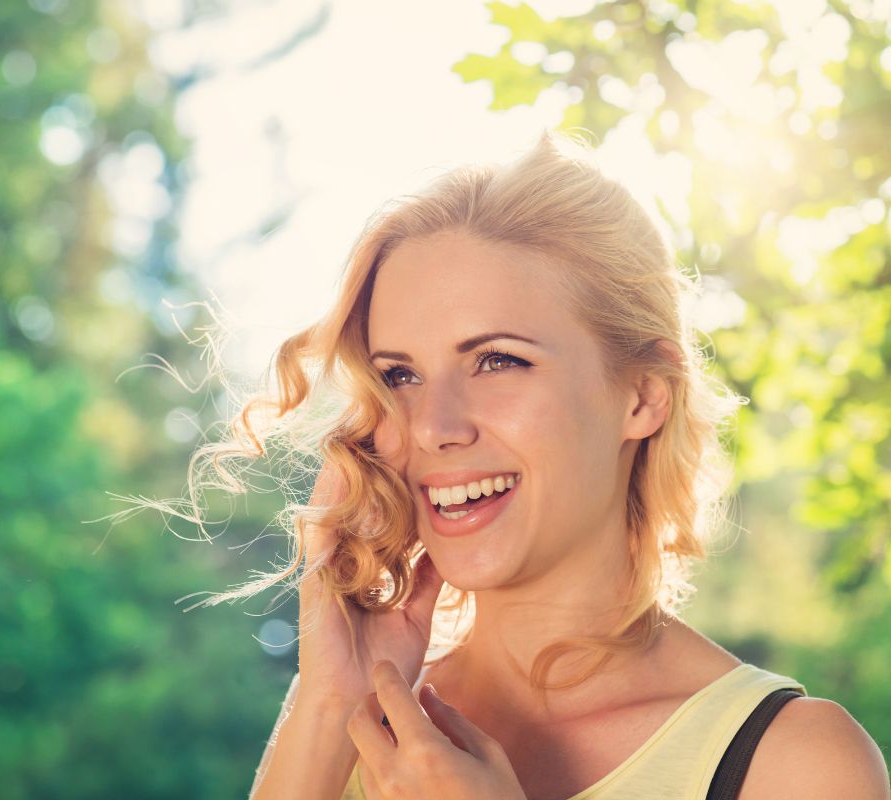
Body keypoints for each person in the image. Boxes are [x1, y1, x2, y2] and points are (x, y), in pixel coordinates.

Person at [205, 132, 888, 799]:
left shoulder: (793, 764)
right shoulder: (357, 730)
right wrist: (326, 708)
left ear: (644, 396)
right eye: (401, 374)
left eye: (498, 360)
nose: (435, 427)